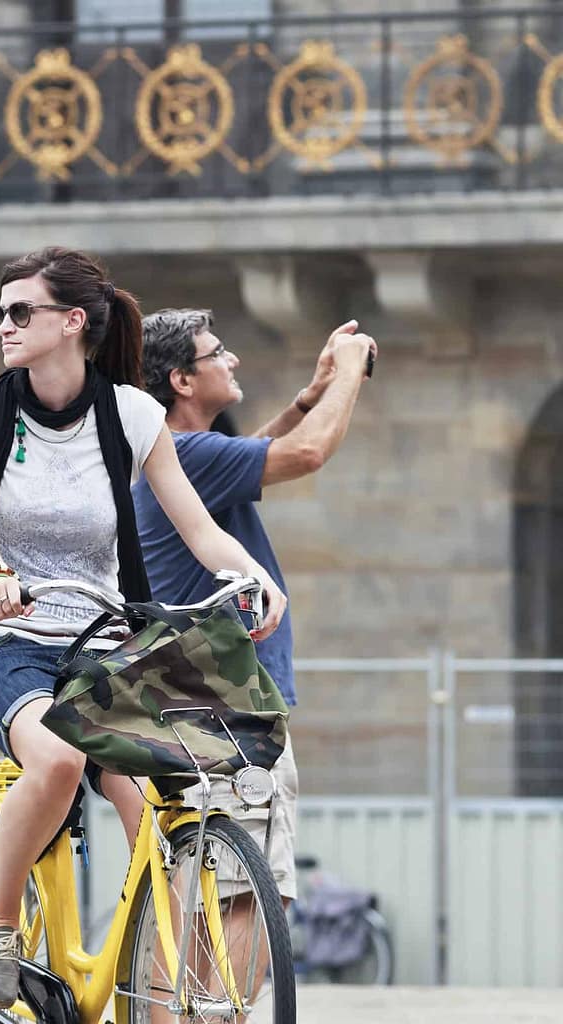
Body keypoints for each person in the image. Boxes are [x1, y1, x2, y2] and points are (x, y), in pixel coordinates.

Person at [0, 246, 288, 1009]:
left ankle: (149, 994)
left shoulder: (131, 415)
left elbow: (200, 530)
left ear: (71, 322)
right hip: (4, 643)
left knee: (161, 808)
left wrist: (249, 579)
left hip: (102, 645)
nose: (3, 324)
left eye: (19, 311)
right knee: (58, 762)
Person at [133, 308, 376, 903]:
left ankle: (202, 1001)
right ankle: (230, 1004)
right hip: (227, 703)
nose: (232, 359)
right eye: (217, 352)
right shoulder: (188, 454)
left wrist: (308, 395)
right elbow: (308, 454)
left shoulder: (183, 456)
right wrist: (349, 374)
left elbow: (251, 454)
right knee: (248, 897)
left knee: (214, 898)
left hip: (192, 700)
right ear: (182, 382)